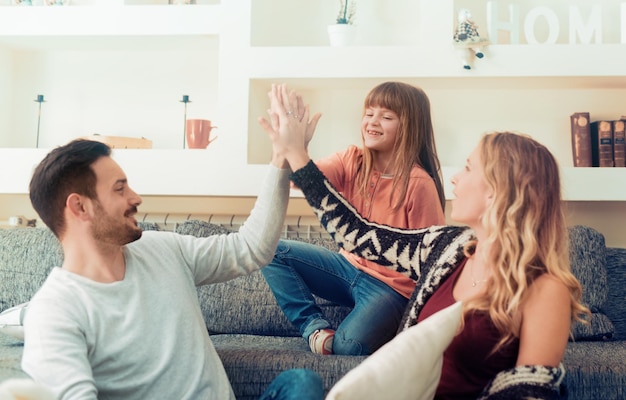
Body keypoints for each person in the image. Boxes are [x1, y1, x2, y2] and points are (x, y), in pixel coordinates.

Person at [260, 86, 590, 399]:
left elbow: (530, 392)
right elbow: (356, 234)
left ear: (497, 189)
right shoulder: (444, 248)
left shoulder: (546, 289)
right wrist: (294, 153)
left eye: (468, 168)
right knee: (299, 383)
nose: (456, 178)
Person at [22, 102, 324, 400]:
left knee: (300, 383)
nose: (135, 197)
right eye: (119, 189)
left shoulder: (159, 248)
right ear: (80, 207)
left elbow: (250, 249)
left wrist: (282, 158)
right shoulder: (54, 313)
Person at [261, 82, 446, 356]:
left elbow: (432, 264)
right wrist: (296, 146)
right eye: (369, 113)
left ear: (409, 126)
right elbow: (299, 179)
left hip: (390, 288)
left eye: (386, 116)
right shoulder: (352, 159)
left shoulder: (419, 184)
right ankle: (314, 328)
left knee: (348, 347)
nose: (372, 122)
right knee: (270, 251)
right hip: (345, 267)